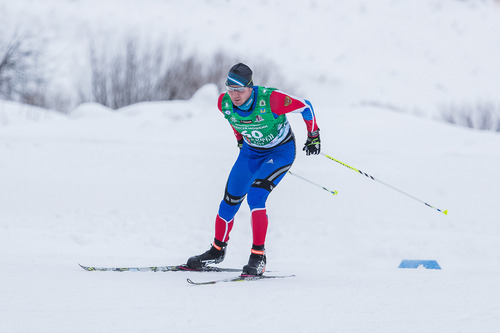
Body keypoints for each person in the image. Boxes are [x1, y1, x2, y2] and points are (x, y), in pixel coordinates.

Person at [186, 63, 320, 275]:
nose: (234, 95)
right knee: (228, 202)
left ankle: (258, 256)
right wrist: (240, 139)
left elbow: (306, 106)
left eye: (239, 90)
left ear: (250, 87)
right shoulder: (224, 103)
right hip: (251, 153)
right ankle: (217, 250)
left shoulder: (271, 99)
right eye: (230, 89)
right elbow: (234, 121)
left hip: (280, 152)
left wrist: (313, 135)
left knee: (256, 197)